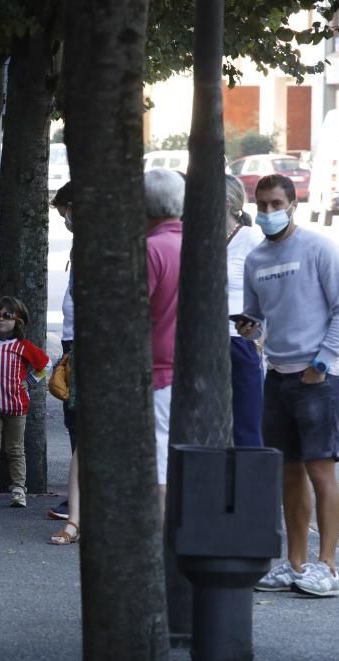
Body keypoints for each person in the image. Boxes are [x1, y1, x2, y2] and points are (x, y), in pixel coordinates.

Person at [244, 174, 339, 598]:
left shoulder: (318, 249)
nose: (268, 212)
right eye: (262, 204)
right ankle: (294, 565)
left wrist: (321, 364)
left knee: (320, 470)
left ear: (293, 205)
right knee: (289, 474)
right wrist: (251, 327)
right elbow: (257, 315)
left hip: (318, 378)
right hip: (277, 375)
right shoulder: (256, 260)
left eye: (276, 204)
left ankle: (327, 567)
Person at [0, 296, 49, 508]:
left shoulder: (23, 347)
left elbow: (44, 365)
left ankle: (19, 488)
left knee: (15, 449)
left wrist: (29, 382)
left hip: (17, 405)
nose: (0, 320)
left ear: (18, 321)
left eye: (7, 316)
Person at [143, 168, 184, 515]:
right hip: (193, 372)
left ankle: (159, 537)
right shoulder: (196, 245)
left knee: (158, 457)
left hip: (158, 372)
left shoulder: (152, 249)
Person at [48, 183, 81, 544]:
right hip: (73, 337)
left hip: (81, 341)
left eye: (64, 212)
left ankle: (79, 499)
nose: (64, 220)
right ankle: (77, 497)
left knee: (78, 421)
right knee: (74, 421)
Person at [224, 174, 264, 448]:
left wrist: (260, 333)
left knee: (247, 427)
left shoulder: (249, 239)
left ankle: (247, 488)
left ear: (227, 202)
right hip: (198, 343)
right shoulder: (193, 237)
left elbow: (270, 291)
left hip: (238, 341)